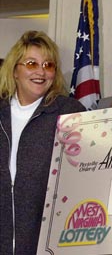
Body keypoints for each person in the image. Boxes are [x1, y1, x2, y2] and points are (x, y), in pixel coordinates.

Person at [0, 30, 86, 255]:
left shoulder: (69, 112)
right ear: (15, 70)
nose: (41, 72)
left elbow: (85, 179)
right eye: (31, 63)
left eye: (48, 65)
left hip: (47, 242)